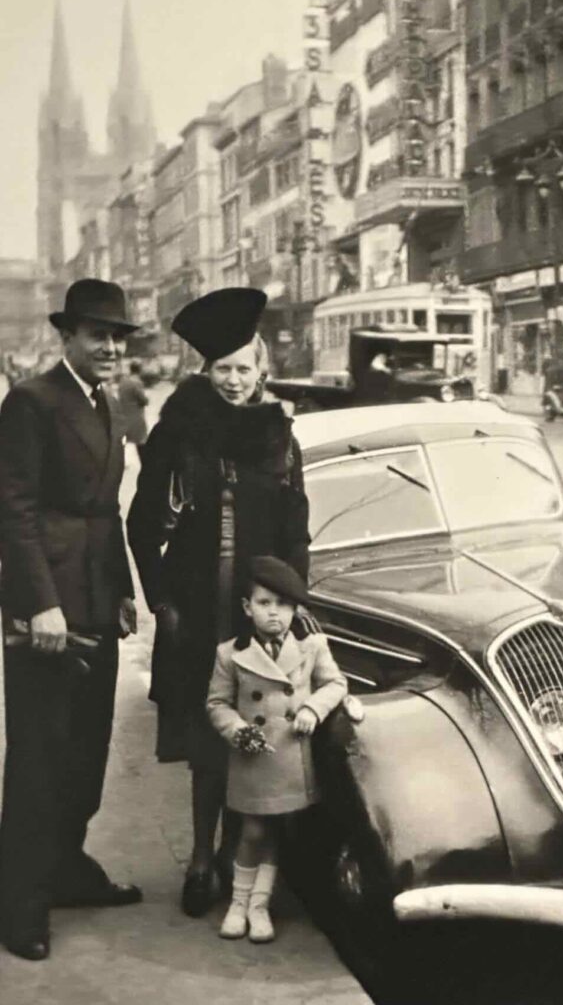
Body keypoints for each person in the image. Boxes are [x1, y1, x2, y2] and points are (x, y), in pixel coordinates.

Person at [127, 287, 310, 921]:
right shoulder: (180, 430)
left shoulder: (281, 438)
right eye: (221, 369)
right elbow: (141, 522)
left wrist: (289, 606)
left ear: (263, 370)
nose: (233, 381)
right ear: (205, 372)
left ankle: (239, 860)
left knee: (257, 740)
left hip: (259, 616)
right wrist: (161, 601)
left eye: (243, 369)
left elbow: (296, 532)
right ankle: (202, 862)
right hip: (197, 610)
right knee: (209, 746)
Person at [0, 278, 141, 962]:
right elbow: (15, 509)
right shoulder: (31, 401)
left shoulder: (106, 402)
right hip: (48, 614)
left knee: (87, 751)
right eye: (97, 335)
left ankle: (67, 868)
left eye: (118, 337)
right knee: (38, 758)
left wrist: (121, 591)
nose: (111, 347)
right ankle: (20, 902)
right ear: (66, 337)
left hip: (93, 601)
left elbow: (106, 511)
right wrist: (37, 604)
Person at [207, 556, 346, 943]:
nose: (275, 613)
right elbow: (217, 704)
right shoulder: (229, 653)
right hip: (253, 757)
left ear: (295, 609)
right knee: (253, 830)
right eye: (265, 603)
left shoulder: (312, 646)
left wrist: (311, 709)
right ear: (246, 607)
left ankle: (258, 906)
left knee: (273, 831)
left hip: (289, 754)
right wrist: (238, 731)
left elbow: (335, 684)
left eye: (283, 605)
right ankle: (240, 903)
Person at [116, 359, 149, 466]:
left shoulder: (123, 381)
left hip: (124, 414)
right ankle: (146, 463)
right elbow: (142, 399)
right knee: (141, 441)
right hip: (136, 416)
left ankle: (119, 462)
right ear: (139, 370)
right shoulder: (137, 382)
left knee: (122, 440)